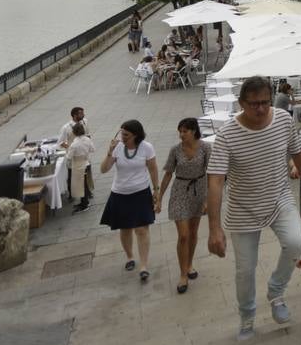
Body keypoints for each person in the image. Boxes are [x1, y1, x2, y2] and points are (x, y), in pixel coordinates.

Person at [206, 76, 301, 340]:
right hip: (243, 209)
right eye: (254, 104)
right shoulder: (227, 135)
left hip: (279, 198)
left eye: (265, 103)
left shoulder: (282, 120)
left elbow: (298, 154)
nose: (260, 109)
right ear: (241, 103)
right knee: (245, 270)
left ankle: (276, 291)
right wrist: (214, 229)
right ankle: (247, 316)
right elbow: (215, 181)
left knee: (295, 243)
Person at [98, 120, 159, 281]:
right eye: (121, 133)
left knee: (142, 229)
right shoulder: (117, 148)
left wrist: (156, 189)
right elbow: (103, 170)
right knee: (125, 229)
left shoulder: (147, 147)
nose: (122, 137)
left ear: (136, 135)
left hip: (140, 192)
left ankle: (144, 265)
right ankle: (130, 257)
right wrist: (109, 152)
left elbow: (153, 168)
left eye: (126, 135)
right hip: (120, 193)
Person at [156, 117, 210, 295]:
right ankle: (182, 275)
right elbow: (168, 174)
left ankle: (189, 264)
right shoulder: (175, 150)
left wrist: (208, 200)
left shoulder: (205, 148)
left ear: (194, 131)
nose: (181, 135)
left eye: (184, 131)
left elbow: (212, 174)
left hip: (199, 192)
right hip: (180, 192)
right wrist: (159, 198)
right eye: (180, 131)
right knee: (184, 235)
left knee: (193, 233)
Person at [65, 122, 95, 213]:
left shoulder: (74, 144)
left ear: (74, 132)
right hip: (86, 162)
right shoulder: (87, 139)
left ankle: (84, 204)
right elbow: (93, 149)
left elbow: (69, 157)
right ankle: (84, 202)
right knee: (84, 184)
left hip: (78, 165)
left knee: (80, 186)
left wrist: (67, 151)